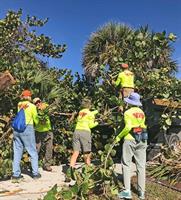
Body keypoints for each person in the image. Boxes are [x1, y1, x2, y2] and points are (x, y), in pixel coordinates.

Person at [115, 92, 147, 200]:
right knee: (141, 166)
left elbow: (128, 127)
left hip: (130, 139)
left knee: (126, 163)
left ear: (130, 102)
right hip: (142, 139)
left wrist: (119, 137)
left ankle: (127, 191)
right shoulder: (142, 113)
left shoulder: (128, 112)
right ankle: (141, 193)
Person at [12, 90, 41, 180]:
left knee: (17, 151)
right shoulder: (32, 106)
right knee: (32, 151)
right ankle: (35, 174)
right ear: (29, 97)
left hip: (17, 129)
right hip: (27, 128)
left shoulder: (19, 104)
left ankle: (16, 175)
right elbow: (36, 119)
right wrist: (38, 121)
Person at [69, 98, 98, 169]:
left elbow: (88, 113)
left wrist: (96, 111)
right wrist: (97, 123)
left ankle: (71, 168)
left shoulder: (81, 112)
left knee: (76, 152)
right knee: (86, 152)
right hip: (85, 132)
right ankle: (88, 169)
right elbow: (91, 125)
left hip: (76, 132)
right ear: (90, 106)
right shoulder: (90, 114)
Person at [33, 97, 53, 172]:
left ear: (40, 101)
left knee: (49, 148)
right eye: (36, 103)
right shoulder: (34, 110)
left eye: (38, 101)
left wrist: (44, 108)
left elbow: (51, 109)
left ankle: (47, 165)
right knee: (36, 148)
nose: (38, 103)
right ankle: (33, 165)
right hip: (38, 131)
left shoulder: (45, 106)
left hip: (48, 130)